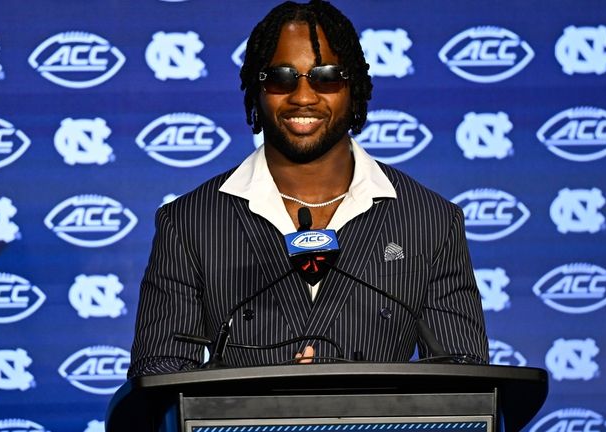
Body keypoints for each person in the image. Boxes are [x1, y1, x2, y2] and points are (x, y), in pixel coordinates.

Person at [128, 0, 488, 377]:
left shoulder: (428, 219)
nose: (303, 97)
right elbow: (159, 373)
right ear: (258, 87)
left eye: (326, 76)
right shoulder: (189, 222)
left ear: (354, 88)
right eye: (282, 78)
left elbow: (463, 372)